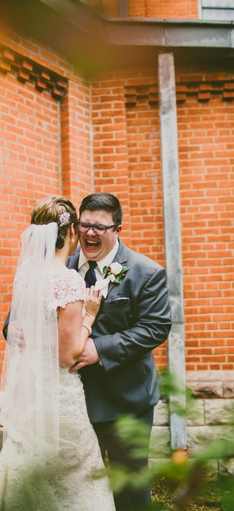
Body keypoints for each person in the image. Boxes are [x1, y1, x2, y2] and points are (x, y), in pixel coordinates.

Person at [0, 196, 115, 510]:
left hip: (28, 388)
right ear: (70, 234)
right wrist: (90, 315)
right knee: (75, 474)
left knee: (23, 457)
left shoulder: (27, 273)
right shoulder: (67, 282)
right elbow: (68, 357)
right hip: (57, 395)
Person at [67, 193, 172, 509]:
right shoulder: (63, 267)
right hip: (74, 397)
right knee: (81, 483)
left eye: (99, 227)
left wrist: (99, 348)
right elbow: (22, 313)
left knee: (129, 484)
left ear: (118, 229)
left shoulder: (146, 272)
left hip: (127, 398)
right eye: (84, 224)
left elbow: (155, 328)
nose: (89, 233)